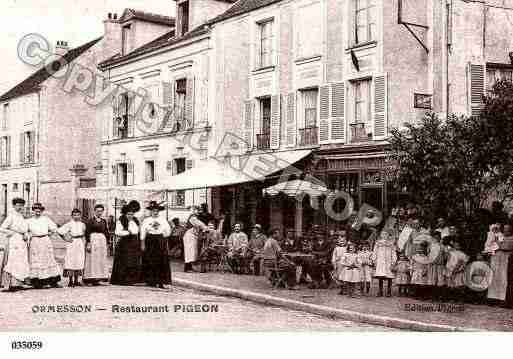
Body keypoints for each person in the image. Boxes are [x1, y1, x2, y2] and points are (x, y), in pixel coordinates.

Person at [26, 203, 61, 289]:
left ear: (42, 211)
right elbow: (25, 231)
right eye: (36, 210)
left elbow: (54, 228)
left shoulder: (46, 219)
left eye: (39, 210)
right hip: (34, 242)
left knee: (48, 260)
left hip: (45, 241)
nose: (37, 212)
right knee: (36, 260)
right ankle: (37, 282)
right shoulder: (28, 221)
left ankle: (53, 281)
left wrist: (50, 233)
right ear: (33, 211)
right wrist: (28, 235)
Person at [0, 198, 30, 292]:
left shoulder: (22, 216)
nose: (19, 207)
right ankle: (10, 284)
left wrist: (26, 234)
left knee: (21, 261)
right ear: (13, 206)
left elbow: (25, 229)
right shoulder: (11, 216)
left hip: (22, 241)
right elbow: (2, 228)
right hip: (14, 241)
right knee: (13, 261)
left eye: (21, 205)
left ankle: (18, 283)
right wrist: (12, 232)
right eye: (17, 205)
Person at [141, 201, 172, 288]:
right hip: (150, 240)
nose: (155, 212)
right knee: (150, 260)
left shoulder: (163, 220)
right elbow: (143, 232)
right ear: (151, 211)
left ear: (159, 211)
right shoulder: (146, 220)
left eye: (156, 211)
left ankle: (161, 281)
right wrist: (143, 243)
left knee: (161, 260)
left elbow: (168, 231)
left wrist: (163, 238)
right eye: (153, 211)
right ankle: (151, 281)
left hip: (160, 240)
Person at [110, 205, 141, 285]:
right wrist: (128, 232)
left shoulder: (135, 221)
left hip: (134, 242)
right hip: (125, 242)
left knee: (132, 261)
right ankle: (122, 279)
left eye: (132, 214)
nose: (130, 216)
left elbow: (137, 230)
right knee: (124, 261)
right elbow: (117, 232)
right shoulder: (121, 220)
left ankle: (131, 279)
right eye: (128, 214)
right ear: (125, 214)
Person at [57, 209, 86, 287]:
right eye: (75, 215)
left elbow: (84, 235)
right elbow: (59, 231)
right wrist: (65, 238)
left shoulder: (82, 224)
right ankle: (70, 281)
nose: (76, 216)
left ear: (80, 215)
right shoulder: (69, 224)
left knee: (78, 260)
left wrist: (84, 242)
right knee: (71, 261)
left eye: (78, 215)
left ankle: (76, 280)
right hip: (72, 243)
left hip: (79, 243)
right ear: (72, 216)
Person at [486, 224, 513, 304]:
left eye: (507, 229)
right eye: (504, 229)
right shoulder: (499, 236)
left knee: (503, 279)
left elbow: (506, 247)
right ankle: (492, 298)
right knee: (494, 278)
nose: (505, 231)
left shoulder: (511, 238)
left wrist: (497, 244)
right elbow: (491, 246)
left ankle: (502, 299)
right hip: (496, 260)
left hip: (505, 261)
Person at [84, 204, 110, 286]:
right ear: (94, 211)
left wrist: (107, 243)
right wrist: (88, 243)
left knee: (100, 259)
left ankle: (99, 278)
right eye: (98, 211)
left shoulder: (103, 221)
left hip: (101, 241)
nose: (99, 213)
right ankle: (90, 278)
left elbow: (106, 231)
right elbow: (87, 232)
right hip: (93, 240)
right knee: (93, 259)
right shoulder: (90, 221)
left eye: (101, 211)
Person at [183, 206, 208, 272]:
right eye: (197, 210)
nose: (198, 212)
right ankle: (187, 268)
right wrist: (206, 228)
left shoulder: (194, 218)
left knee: (192, 252)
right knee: (189, 252)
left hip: (192, 236)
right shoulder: (193, 218)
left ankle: (190, 267)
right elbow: (200, 224)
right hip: (189, 236)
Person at [372, 230, 397, 297]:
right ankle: (380, 291)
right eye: (383, 234)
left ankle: (389, 292)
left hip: (388, 261)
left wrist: (393, 261)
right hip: (380, 261)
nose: (385, 235)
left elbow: (393, 252)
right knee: (380, 276)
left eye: (386, 234)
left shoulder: (391, 243)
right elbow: (375, 252)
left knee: (389, 277)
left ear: (388, 235)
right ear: (381, 235)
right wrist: (374, 260)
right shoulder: (378, 243)